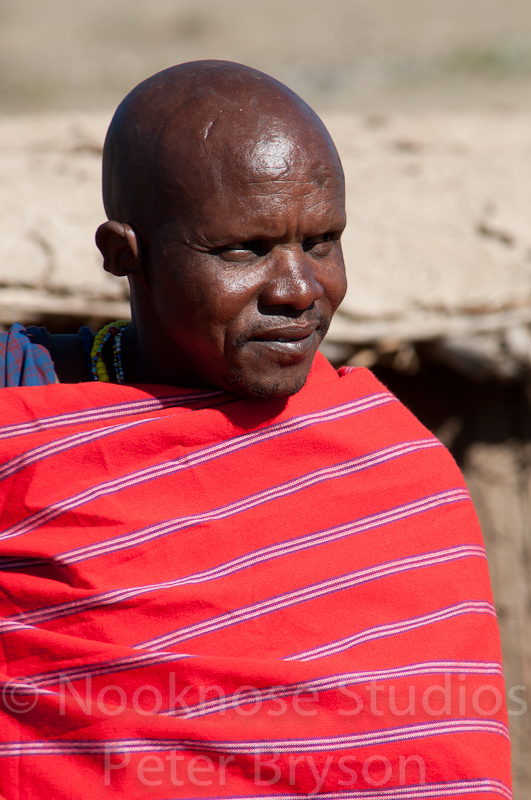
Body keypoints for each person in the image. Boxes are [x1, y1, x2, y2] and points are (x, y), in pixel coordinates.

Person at [0, 62, 511, 799]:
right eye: (243, 250)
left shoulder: (393, 473)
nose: (298, 289)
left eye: (323, 241)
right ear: (123, 255)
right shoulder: (31, 419)